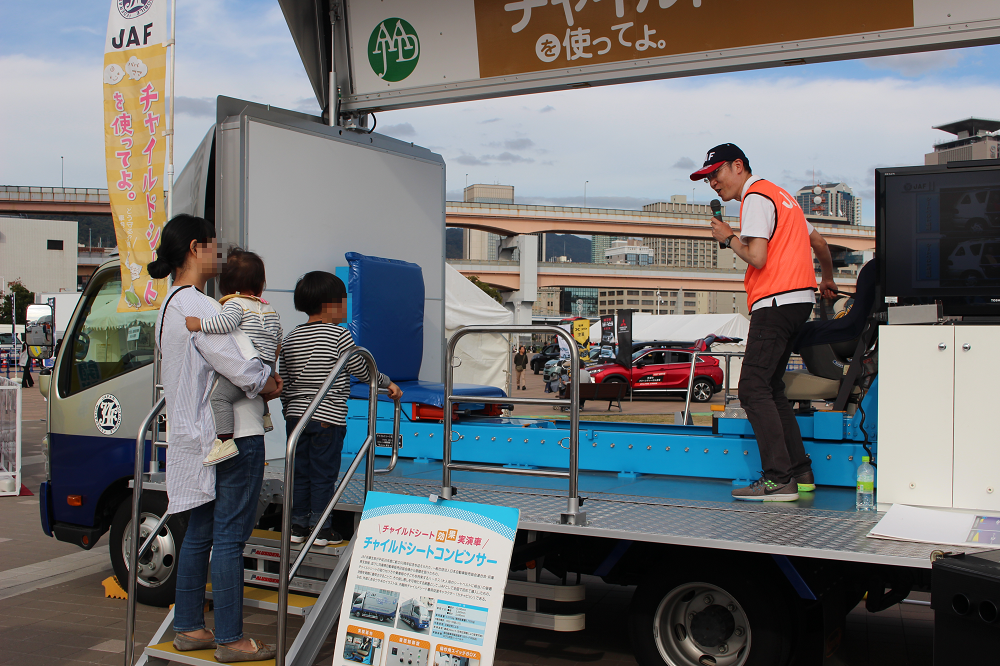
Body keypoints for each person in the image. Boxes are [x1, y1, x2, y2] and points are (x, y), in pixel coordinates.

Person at [149, 214, 282, 662]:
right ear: (194, 248)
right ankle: (231, 638)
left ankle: (189, 627)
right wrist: (269, 382)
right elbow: (241, 367)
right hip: (235, 433)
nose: (218, 254)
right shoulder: (203, 308)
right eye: (212, 246)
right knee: (229, 538)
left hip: (196, 434)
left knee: (200, 532)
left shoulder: (168, 306)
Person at [691, 143, 837, 502]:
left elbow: (757, 256)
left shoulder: (755, 196)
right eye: (707, 177)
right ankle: (800, 472)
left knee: (753, 387)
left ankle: (778, 478)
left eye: (716, 173)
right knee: (770, 388)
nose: (712, 183)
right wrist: (827, 279)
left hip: (776, 299)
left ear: (738, 166)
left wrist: (729, 238)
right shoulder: (781, 195)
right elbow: (818, 242)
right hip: (798, 300)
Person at [279, 271, 402, 547]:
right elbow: (362, 368)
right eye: (344, 301)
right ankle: (321, 529)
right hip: (327, 419)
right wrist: (388, 383)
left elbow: (283, 381)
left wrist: (290, 409)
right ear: (332, 304)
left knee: (299, 472)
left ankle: (297, 526)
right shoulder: (339, 334)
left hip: (296, 418)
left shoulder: (291, 337)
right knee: (323, 474)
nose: (347, 307)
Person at [185, 248, 283, 466]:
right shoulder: (270, 309)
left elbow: (225, 324)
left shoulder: (234, 304)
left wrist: (198, 324)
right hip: (266, 363)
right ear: (260, 283)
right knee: (260, 390)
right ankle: (265, 417)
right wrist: (271, 366)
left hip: (248, 364)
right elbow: (278, 341)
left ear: (226, 284)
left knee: (220, 398)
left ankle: (224, 442)